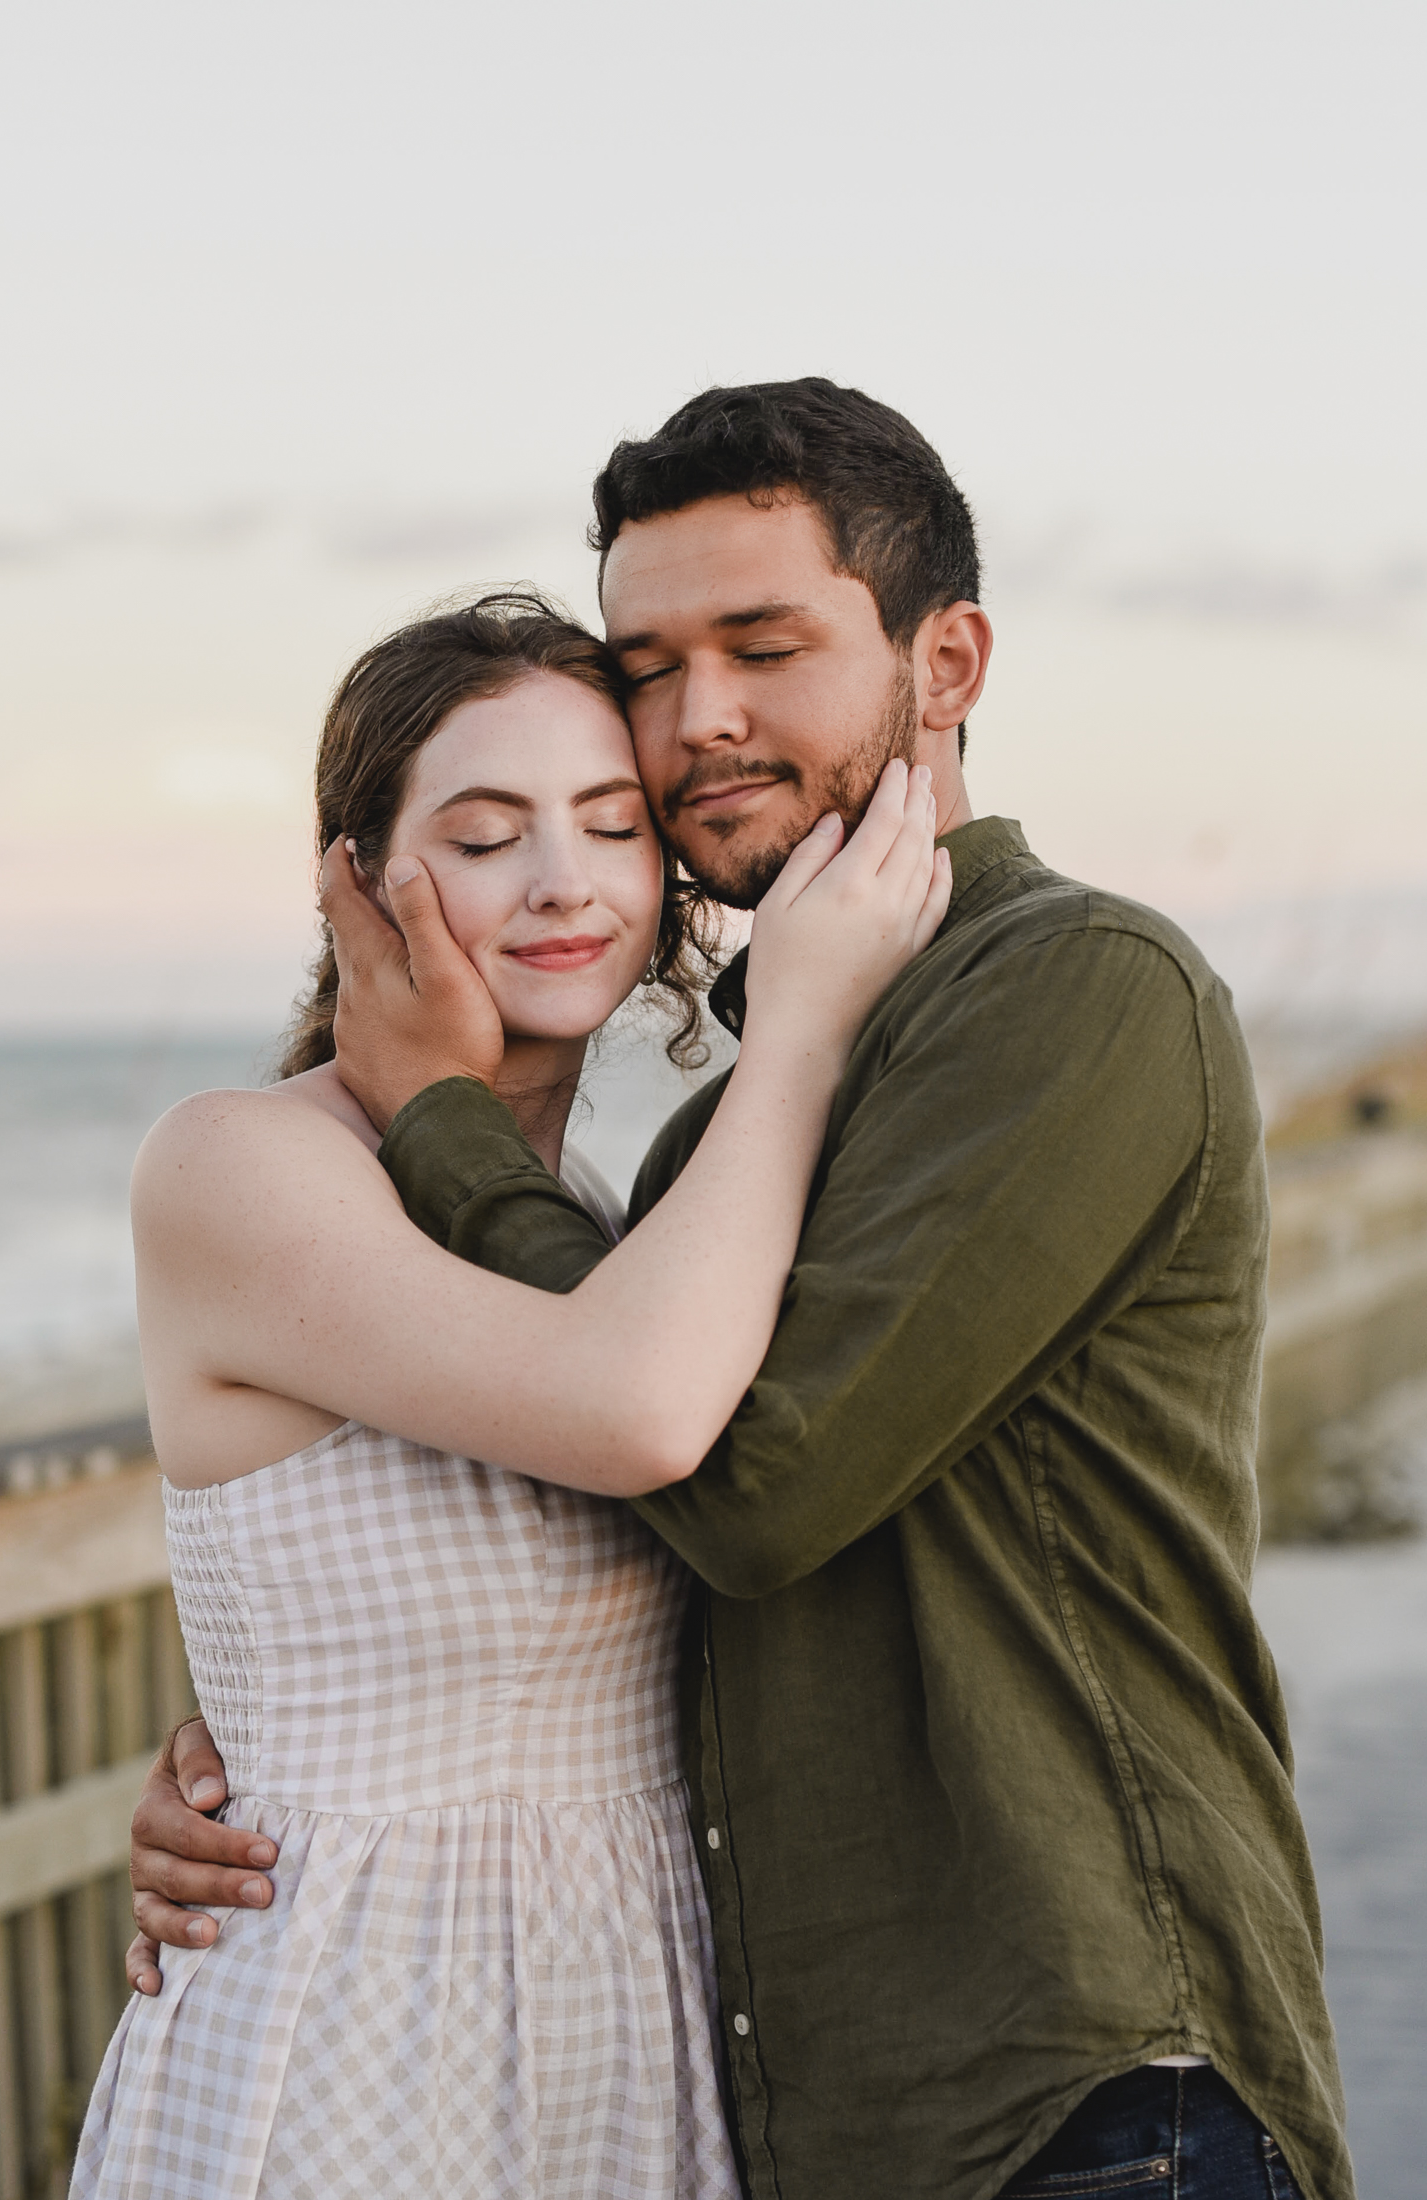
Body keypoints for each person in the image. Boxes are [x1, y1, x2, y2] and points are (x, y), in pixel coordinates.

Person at [128, 383, 1354, 2200]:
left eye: (763, 646)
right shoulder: (706, 1145)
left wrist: (453, 1120)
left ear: (945, 663)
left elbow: (732, 1474)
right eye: (651, 661)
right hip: (762, 2094)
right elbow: (584, 1493)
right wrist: (277, 1746)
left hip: (1077, 2081)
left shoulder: (1066, 992)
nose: (699, 718)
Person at [73, 589, 949, 2200]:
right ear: (356, 879)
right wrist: (805, 1029)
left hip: (637, 2031)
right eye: (482, 837)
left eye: (613, 827)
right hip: (356, 2031)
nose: (561, 883)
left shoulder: (621, 1243)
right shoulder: (242, 1165)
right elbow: (630, 1416)